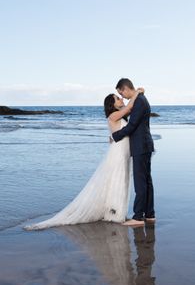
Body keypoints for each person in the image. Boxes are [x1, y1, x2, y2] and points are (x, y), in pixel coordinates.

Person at [24, 88, 143, 230]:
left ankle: (115, 211)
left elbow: (125, 121)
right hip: (117, 154)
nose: (121, 100)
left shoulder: (119, 116)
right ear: (112, 104)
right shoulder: (114, 115)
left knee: (121, 181)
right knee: (116, 181)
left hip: (122, 152)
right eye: (118, 98)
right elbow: (130, 107)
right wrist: (137, 92)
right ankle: (114, 213)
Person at [111, 78, 155, 227]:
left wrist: (114, 136)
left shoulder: (139, 101)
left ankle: (138, 216)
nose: (122, 97)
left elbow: (132, 126)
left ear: (125, 88)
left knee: (140, 182)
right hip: (144, 145)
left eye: (120, 93)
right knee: (147, 181)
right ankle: (149, 214)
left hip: (141, 146)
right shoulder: (141, 99)